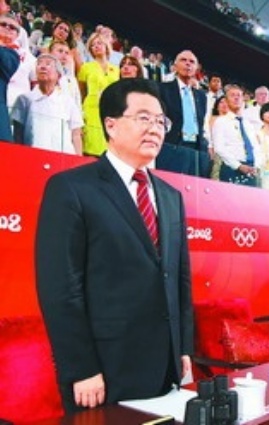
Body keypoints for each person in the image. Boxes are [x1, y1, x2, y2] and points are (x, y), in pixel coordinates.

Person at [35, 78, 193, 412]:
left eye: (160, 121)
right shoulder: (71, 188)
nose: (155, 129)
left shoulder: (171, 196)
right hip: (104, 371)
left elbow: (179, 280)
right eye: (143, 118)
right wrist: (81, 368)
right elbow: (61, 289)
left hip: (165, 367)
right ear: (111, 125)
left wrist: (183, 349)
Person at [12, 54, 83, 155]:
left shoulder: (68, 102)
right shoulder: (24, 100)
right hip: (33, 156)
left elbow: (76, 135)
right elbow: (18, 135)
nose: (42, 67)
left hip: (63, 158)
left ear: (58, 75)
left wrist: (79, 159)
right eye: (39, 64)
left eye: (48, 64)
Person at [157, 50, 210, 177]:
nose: (188, 64)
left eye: (192, 62)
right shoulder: (162, 89)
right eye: (183, 60)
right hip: (171, 146)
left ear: (196, 68)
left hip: (195, 149)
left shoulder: (201, 96)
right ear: (175, 66)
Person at [77, 31, 119, 156]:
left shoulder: (116, 69)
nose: (96, 46)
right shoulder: (86, 67)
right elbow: (81, 92)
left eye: (99, 43)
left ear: (106, 45)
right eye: (93, 45)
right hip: (91, 111)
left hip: (111, 111)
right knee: (90, 148)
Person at [212, 84, 263, 186]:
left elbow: (256, 146)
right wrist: (238, 166)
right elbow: (219, 148)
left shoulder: (248, 124)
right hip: (231, 168)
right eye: (232, 95)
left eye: (239, 95)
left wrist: (257, 166)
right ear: (226, 101)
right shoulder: (221, 121)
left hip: (251, 170)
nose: (236, 98)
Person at [0, 12, 19, 142]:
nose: (7, 27)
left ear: (16, 36)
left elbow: (7, 66)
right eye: (3, 24)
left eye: (12, 27)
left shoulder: (13, 55)